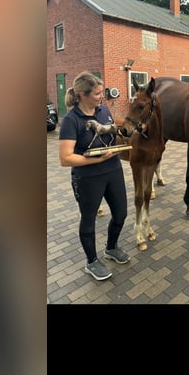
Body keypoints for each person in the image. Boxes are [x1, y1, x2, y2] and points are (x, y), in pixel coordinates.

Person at [58, 72, 130, 281]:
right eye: (98, 93)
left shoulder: (104, 110)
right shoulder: (72, 120)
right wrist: (96, 160)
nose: (102, 96)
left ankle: (111, 248)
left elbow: (110, 134)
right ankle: (91, 261)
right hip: (88, 178)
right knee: (88, 221)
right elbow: (66, 158)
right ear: (82, 94)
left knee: (121, 214)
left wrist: (122, 135)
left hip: (113, 170)